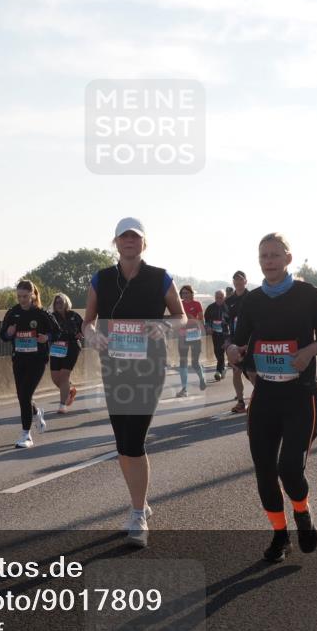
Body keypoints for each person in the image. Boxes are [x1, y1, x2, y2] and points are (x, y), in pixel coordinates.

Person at [83, 217, 184, 548]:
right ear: (115, 243)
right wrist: (93, 335)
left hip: (148, 368)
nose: (129, 241)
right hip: (114, 368)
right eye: (124, 237)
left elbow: (180, 315)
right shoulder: (101, 279)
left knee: (134, 440)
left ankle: (137, 513)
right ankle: (139, 500)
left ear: (144, 243)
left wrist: (166, 327)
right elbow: (87, 322)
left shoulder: (159, 277)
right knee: (122, 442)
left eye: (135, 237)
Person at [227, 233, 317, 563]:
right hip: (266, 397)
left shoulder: (308, 294)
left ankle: (302, 513)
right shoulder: (252, 300)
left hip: (301, 397)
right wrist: (232, 350)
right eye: (263, 256)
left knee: (289, 468)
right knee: (264, 471)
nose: (268, 260)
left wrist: (309, 351)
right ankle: (279, 535)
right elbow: (239, 341)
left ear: (288, 258)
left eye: (274, 255)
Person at [1, 281, 55, 448]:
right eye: (19, 296)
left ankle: (26, 434)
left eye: (25, 296)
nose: (22, 300)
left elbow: (57, 331)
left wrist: (47, 338)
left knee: (25, 395)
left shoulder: (41, 314)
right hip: (19, 359)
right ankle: (36, 413)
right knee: (22, 396)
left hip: (38, 360)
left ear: (32, 295)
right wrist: (8, 333)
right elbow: (3, 334)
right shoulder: (12, 313)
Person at [49, 292, 83, 414]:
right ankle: (69, 390)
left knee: (64, 375)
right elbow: (47, 331)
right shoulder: (51, 317)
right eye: (56, 302)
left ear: (66, 303)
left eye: (61, 302)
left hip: (72, 346)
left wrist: (81, 333)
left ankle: (62, 405)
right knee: (55, 378)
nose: (58, 304)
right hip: (57, 347)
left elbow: (83, 327)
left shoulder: (74, 315)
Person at [226, 271, 252, 413]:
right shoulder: (229, 301)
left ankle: (259, 398)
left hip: (250, 342)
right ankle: (241, 402)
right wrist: (227, 341)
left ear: (245, 281)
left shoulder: (252, 298)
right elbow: (225, 322)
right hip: (235, 343)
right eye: (235, 279)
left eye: (240, 279)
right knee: (236, 372)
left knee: (252, 373)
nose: (238, 282)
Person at [176, 285, 207, 397]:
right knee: (182, 361)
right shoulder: (179, 305)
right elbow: (176, 319)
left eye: (187, 293)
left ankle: (202, 378)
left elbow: (201, 321)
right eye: (183, 293)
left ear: (191, 293)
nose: (185, 295)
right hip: (183, 336)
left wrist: (191, 318)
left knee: (194, 362)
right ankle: (184, 389)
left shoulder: (197, 304)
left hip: (194, 335)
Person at [203, 290, 230, 380]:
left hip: (226, 334)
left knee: (224, 352)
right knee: (218, 352)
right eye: (217, 297)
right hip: (215, 334)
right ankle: (222, 369)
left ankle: (218, 371)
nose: (218, 299)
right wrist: (208, 327)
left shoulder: (228, 307)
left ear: (224, 297)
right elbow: (206, 320)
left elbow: (232, 321)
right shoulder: (210, 307)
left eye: (221, 297)